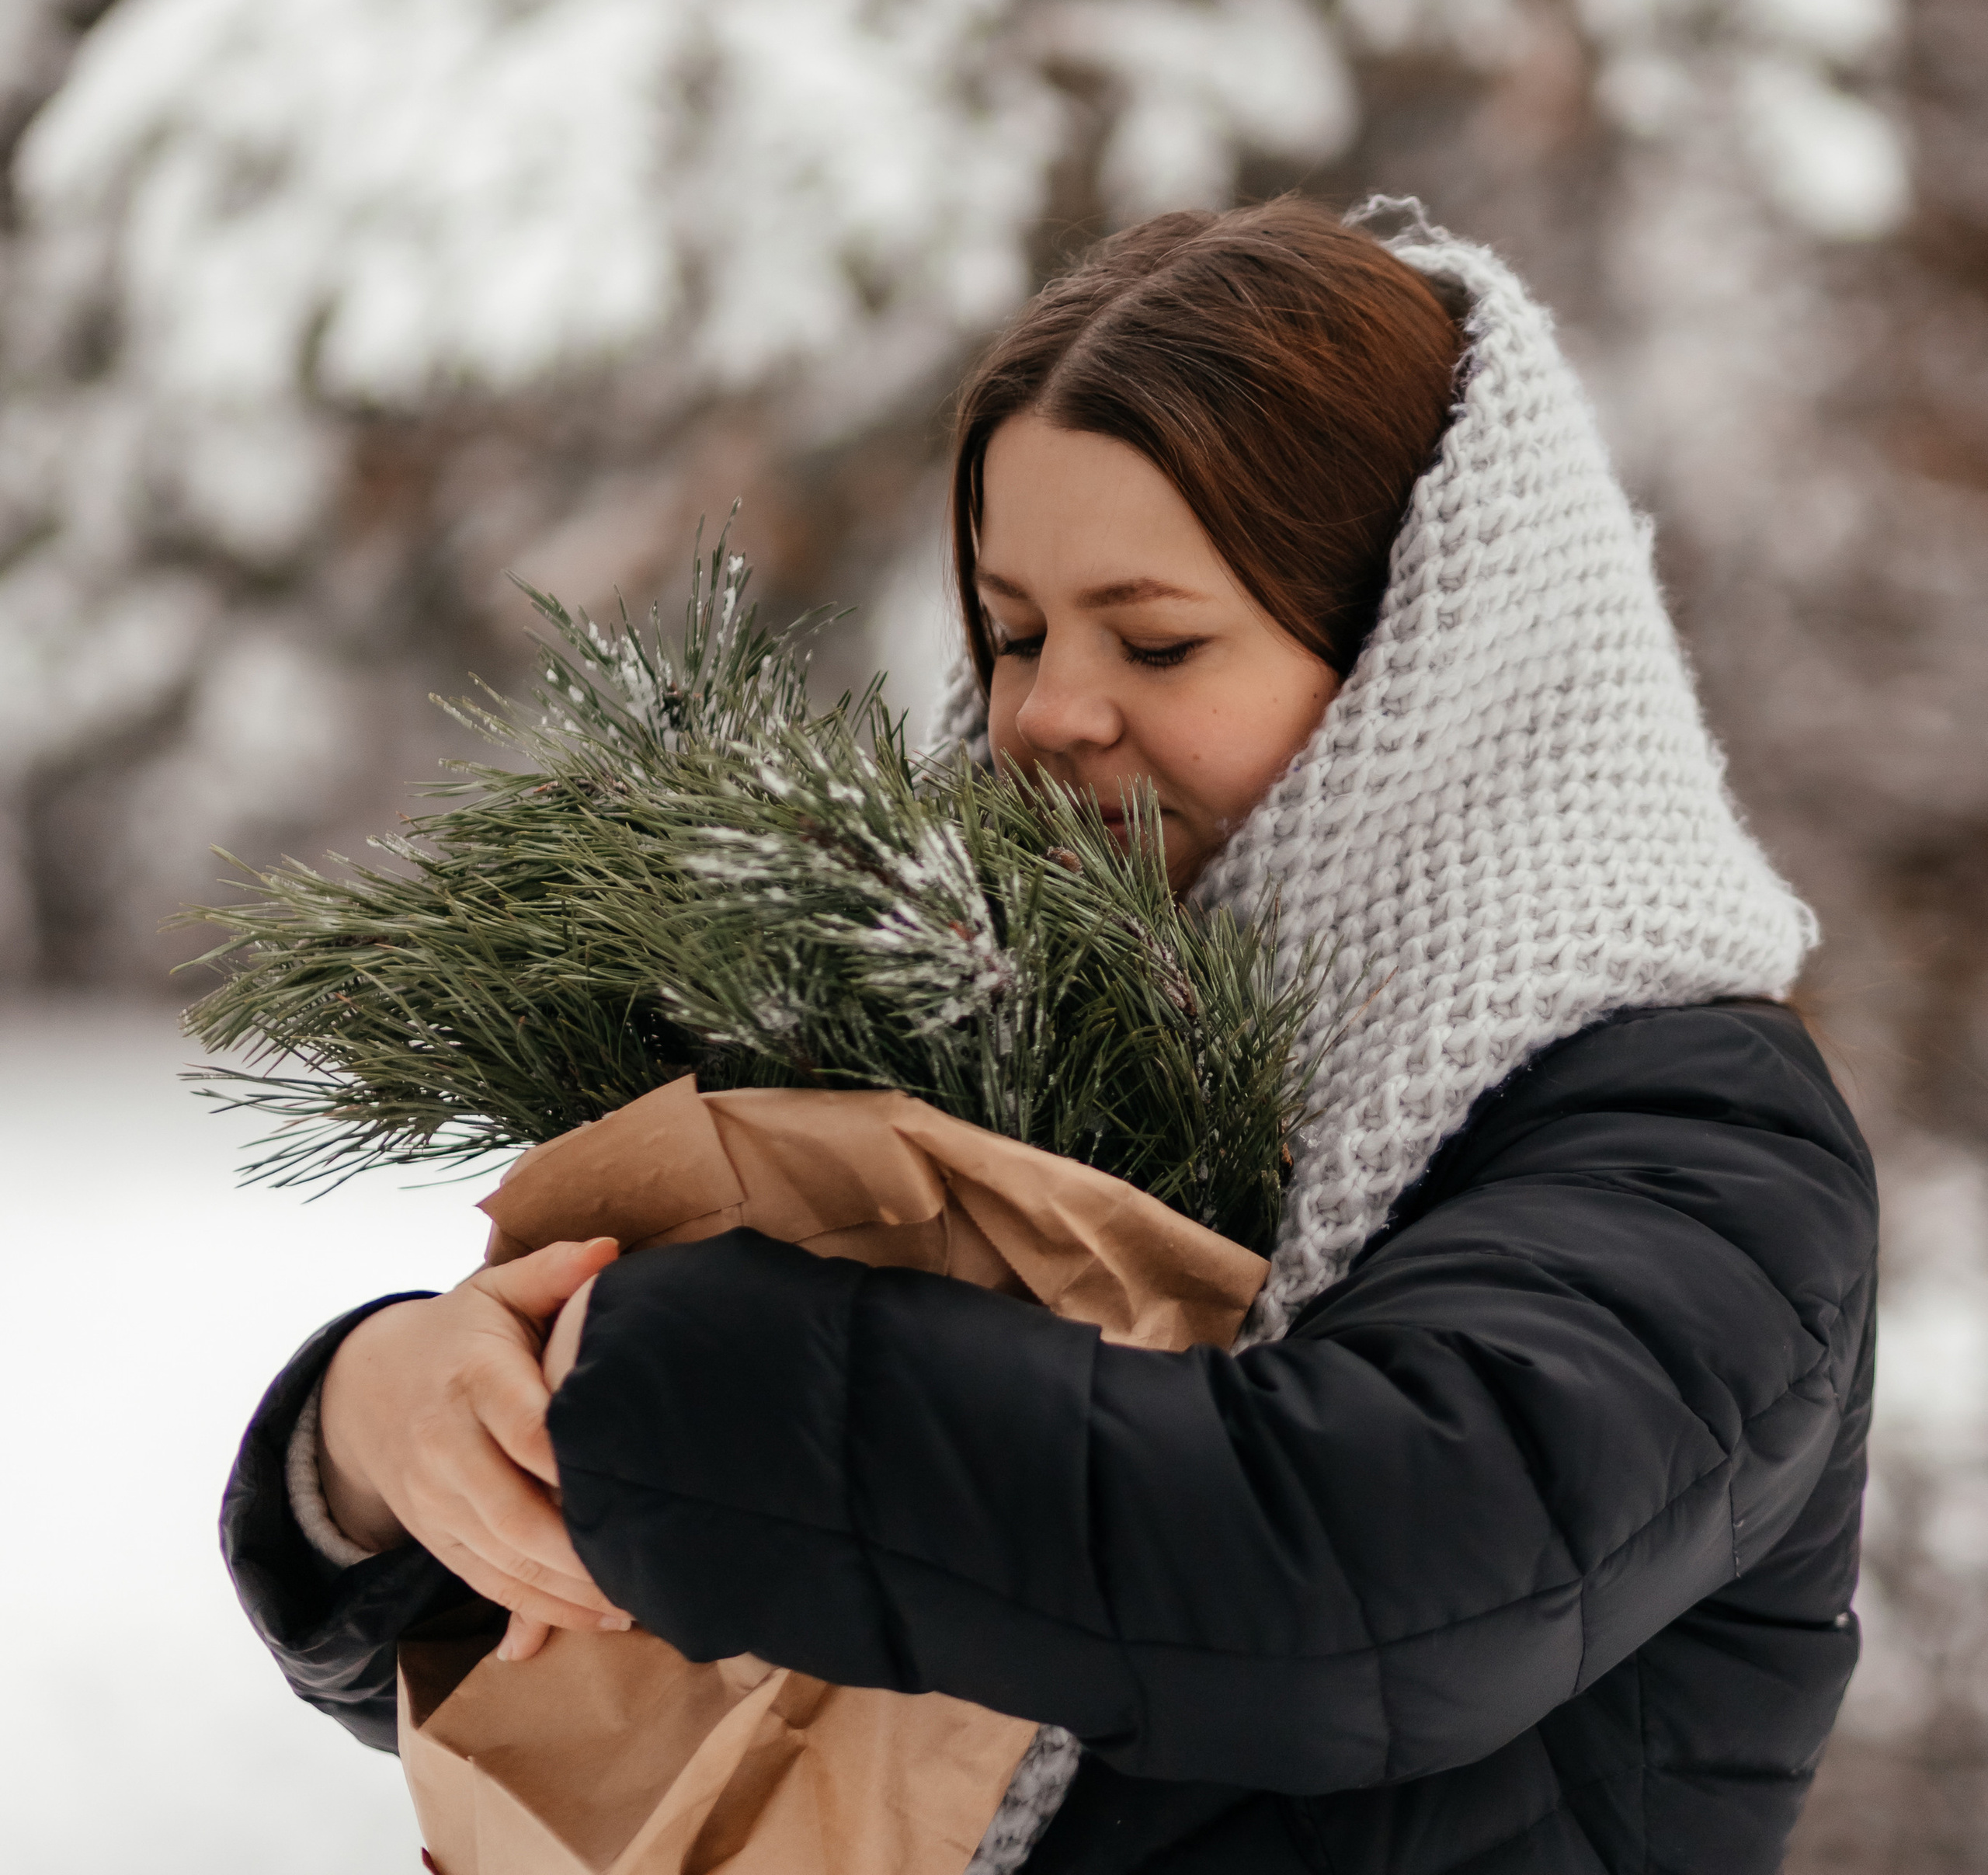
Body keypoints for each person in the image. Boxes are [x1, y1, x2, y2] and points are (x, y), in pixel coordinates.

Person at [223, 203, 1875, 1875]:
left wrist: (654, 1381)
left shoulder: (1686, 1123)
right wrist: (383, 1435)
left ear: (1427, 661)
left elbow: (1367, 1571)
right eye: (1013, 632)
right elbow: (670, 1647)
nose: (1045, 713)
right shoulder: (980, 1058)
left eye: (1154, 641)